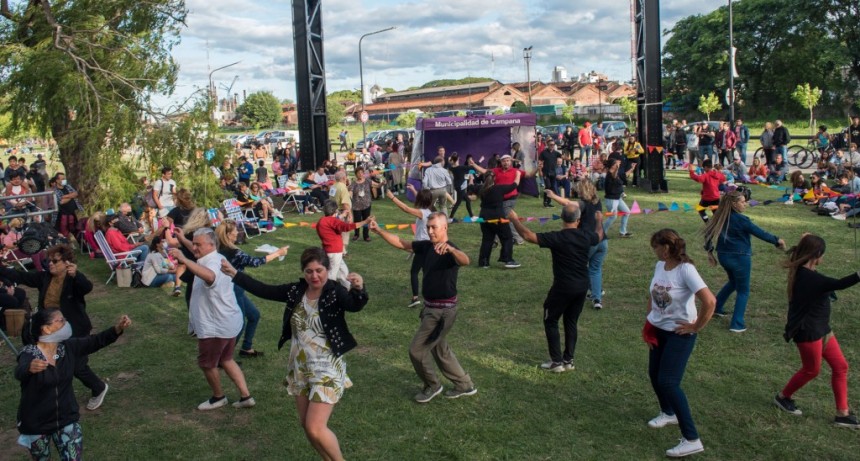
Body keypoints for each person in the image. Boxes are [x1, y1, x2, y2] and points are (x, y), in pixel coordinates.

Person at [223, 247, 366, 460]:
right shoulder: (296, 291)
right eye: (309, 271)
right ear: (303, 271)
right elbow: (264, 290)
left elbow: (354, 305)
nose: (314, 276)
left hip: (327, 367)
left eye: (319, 270)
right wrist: (235, 274)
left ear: (327, 269)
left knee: (316, 427)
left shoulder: (335, 291)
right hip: (300, 366)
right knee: (307, 427)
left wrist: (359, 288)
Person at [370, 213, 477, 402]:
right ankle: (464, 384)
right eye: (428, 227)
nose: (430, 231)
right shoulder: (427, 247)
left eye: (434, 227)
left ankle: (432, 385)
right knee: (439, 348)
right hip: (431, 309)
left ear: (445, 227)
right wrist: (379, 231)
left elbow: (465, 260)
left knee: (417, 350)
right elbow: (402, 243)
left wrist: (452, 250)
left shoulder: (450, 250)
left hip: (441, 313)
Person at [1, 244, 112, 411]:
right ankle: (52, 398)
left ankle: (99, 387)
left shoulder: (72, 278)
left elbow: (86, 287)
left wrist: (77, 275)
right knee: (51, 362)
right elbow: (20, 275)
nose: (50, 264)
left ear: (66, 263)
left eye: (55, 261)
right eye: (48, 261)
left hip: (76, 329)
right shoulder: (45, 278)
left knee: (77, 366)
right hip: (53, 331)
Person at [16, 310, 131, 460]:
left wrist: (117, 329)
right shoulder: (29, 353)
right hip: (37, 424)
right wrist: (29, 368)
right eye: (61, 320)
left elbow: (94, 341)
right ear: (46, 329)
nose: (66, 323)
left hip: (66, 418)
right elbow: (19, 371)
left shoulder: (67, 348)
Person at [643, 229, 716, 458]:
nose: (654, 251)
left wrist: (695, 327)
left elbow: (710, 301)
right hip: (658, 330)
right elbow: (652, 295)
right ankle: (668, 413)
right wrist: (649, 323)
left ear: (665, 248)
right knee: (654, 375)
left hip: (679, 335)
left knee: (669, 382)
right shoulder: (659, 267)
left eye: (655, 247)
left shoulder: (686, 270)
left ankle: (692, 439)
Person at [775, 234, 860, 428]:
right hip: (808, 332)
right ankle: (782, 397)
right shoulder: (808, 278)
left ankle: (842, 413)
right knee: (811, 370)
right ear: (817, 254)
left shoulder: (807, 273)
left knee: (841, 366)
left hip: (823, 330)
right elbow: (837, 284)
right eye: (823, 254)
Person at [168, 227, 255, 411]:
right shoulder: (211, 256)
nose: (195, 248)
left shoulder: (212, 264)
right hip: (229, 321)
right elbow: (196, 250)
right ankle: (246, 396)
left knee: (207, 364)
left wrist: (183, 259)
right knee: (227, 359)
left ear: (211, 245)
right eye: (195, 244)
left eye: (198, 244)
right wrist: (182, 238)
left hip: (216, 327)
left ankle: (218, 397)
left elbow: (210, 276)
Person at [509, 202, 595, 372]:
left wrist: (514, 219)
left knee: (550, 319)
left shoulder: (557, 237)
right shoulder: (586, 236)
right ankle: (568, 360)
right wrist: (599, 221)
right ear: (578, 220)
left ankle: (556, 362)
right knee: (571, 321)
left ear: (562, 218)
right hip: (582, 286)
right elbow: (598, 235)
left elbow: (528, 236)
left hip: (563, 287)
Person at [703, 191, 786, 332]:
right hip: (739, 258)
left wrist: (710, 251)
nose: (745, 204)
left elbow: (708, 234)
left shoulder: (720, 217)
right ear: (734, 204)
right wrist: (777, 240)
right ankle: (737, 324)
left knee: (734, 282)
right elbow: (760, 232)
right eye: (742, 201)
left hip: (724, 256)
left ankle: (716, 307)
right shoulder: (741, 220)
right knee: (743, 290)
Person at [215, 220, 289, 358]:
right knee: (239, 324)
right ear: (229, 235)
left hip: (234, 287)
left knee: (254, 315)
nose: (238, 232)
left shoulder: (219, 249)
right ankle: (224, 358)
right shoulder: (235, 252)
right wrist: (278, 253)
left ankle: (246, 348)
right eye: (235, 230)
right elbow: (255, 262)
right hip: (234, 288)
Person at [469, 154, 531, 244]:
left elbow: (519, 182)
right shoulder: (496, 171)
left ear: (510, 161)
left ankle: (513, 238)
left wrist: (538, 169)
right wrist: (474, 165)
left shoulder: (516, 171)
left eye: (507, 160)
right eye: (504, 161)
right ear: (501, 162)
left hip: (510, 199)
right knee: (506, 218)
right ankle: (509, 238)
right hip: (500, 199)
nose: (506, 162)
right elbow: (484, 171)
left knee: (504, 218)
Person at [387, 187, 434, 307]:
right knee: (426, 271)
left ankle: (415, 298)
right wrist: (414, 190)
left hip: (422, 246)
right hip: (428, 245)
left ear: (421, 200)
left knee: (414, 272)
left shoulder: (422, 213)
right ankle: (430, 294)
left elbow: (406, 208)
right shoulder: (429, 211)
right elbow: (419, 202)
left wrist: (392, 197)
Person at [316, 200, 373, 289]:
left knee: (344, 272)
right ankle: (328, 293)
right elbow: (347, 227)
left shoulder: (322, 221)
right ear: (335, 211)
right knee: (332, 275)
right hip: (335, 252)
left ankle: (347, 290)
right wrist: (365, 222)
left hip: (329, 251)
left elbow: (333, 222)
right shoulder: (333, 221)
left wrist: (341, 215)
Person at [477, 169, 521, 269]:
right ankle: (508, 259)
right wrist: (518, 174)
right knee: (507, 237)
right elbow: (514, 185)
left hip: (484, 217)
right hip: (497, 217)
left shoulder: (481, 189)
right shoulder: (498, 188)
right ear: (495, 178)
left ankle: (484, 262)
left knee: (487, 239)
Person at [603, 159, 632, 238]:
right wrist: (617, 168)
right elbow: (614, 175)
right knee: (612, 216)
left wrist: (632, 168)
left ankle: (623, 232)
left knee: (626, 212)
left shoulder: (616, 173)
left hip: (618, 198)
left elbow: (624, 175)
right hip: (611, 199)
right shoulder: (610, 174)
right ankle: (601, 233)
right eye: (616, 163)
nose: (618, 164)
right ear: (613, 165)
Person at [348, 166, 374, 242]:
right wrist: (349, 195)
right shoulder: (353, 183)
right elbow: (350, 191)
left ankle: (366, 236)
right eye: (358, 173)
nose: (360, 174)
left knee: (367, 220)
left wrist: (382, 183)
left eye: (362, 173)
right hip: (356, 206)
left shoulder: (368, 181)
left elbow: (376, 185)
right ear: (356, 174)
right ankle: (356, 234)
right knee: (357, 221)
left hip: (367, 205)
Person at [447, 154, 474, 221]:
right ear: (458, 159)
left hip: (457, 187)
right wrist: (472, 161)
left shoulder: (452, 168)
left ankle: (472, 216)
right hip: (460, 187)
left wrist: (450, 161)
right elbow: (472, 167)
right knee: (458, 202)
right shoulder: (461, 167)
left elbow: (449, 165)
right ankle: (450, 218)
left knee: (467, 200)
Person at [539, 140, 562, 207]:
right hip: (546, 172)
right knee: (548, 186)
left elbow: (562, 156)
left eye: (553, 145)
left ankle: (549, 202)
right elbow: (540, 162)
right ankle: (545, 202)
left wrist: (571, 160)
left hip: (553, 173)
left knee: (551, 187)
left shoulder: (555, 153)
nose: (552, 146)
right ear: (547, 145)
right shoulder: (543, 153)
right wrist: (540, 171)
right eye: (550, 144)